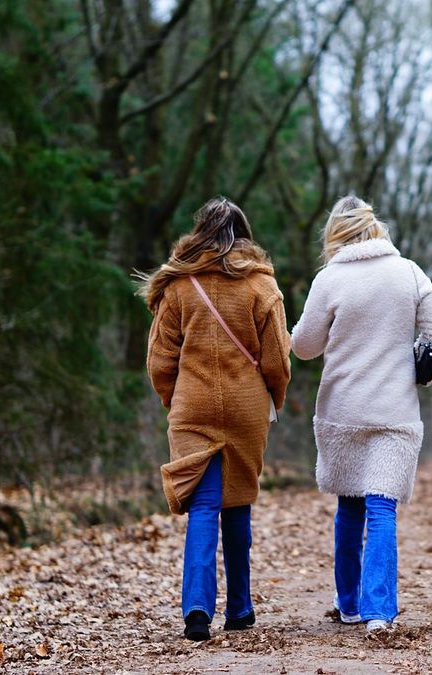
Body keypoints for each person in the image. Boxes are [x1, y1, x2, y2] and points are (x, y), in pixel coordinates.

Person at [291, 195, 432, 633]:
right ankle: (378, 612)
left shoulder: (329, 279)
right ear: (375, 227)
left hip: (344, 409)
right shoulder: (409, 272)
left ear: (335, 234)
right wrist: (421, 370)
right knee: (382, 509)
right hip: (395, 411)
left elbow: (305, 347)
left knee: (349, 507)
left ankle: (348, 604)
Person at [141, 198, 292, 642]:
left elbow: (159, 362)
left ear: (200, 231)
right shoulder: (262, 286)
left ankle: (197, 611)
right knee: (238, 502)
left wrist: (177, 402)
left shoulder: (178, 286)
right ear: (244, 234)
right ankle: (241, 608)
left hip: (193, 404)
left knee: (203, 506)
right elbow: (277, 361)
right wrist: (273, 398)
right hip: (246, 407)